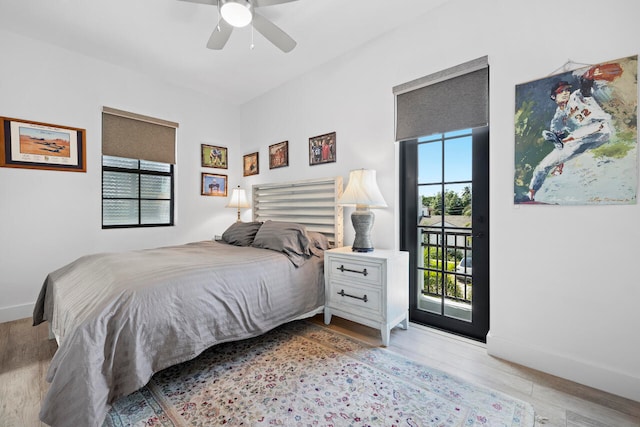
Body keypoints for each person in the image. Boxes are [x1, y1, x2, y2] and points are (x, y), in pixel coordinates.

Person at [524, 64, 621, 201]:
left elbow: (586, 86)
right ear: (553, 96)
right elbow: (560, 145)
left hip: (600, 130)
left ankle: (572, 140)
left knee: (574, 136)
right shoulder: (557, 119)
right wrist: (560, 162)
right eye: (561, 91)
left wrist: (590, 74)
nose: (565, 92)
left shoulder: (578, 96)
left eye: (566, 90)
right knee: (542, 166)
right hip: (579, 141)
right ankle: (530, 195)